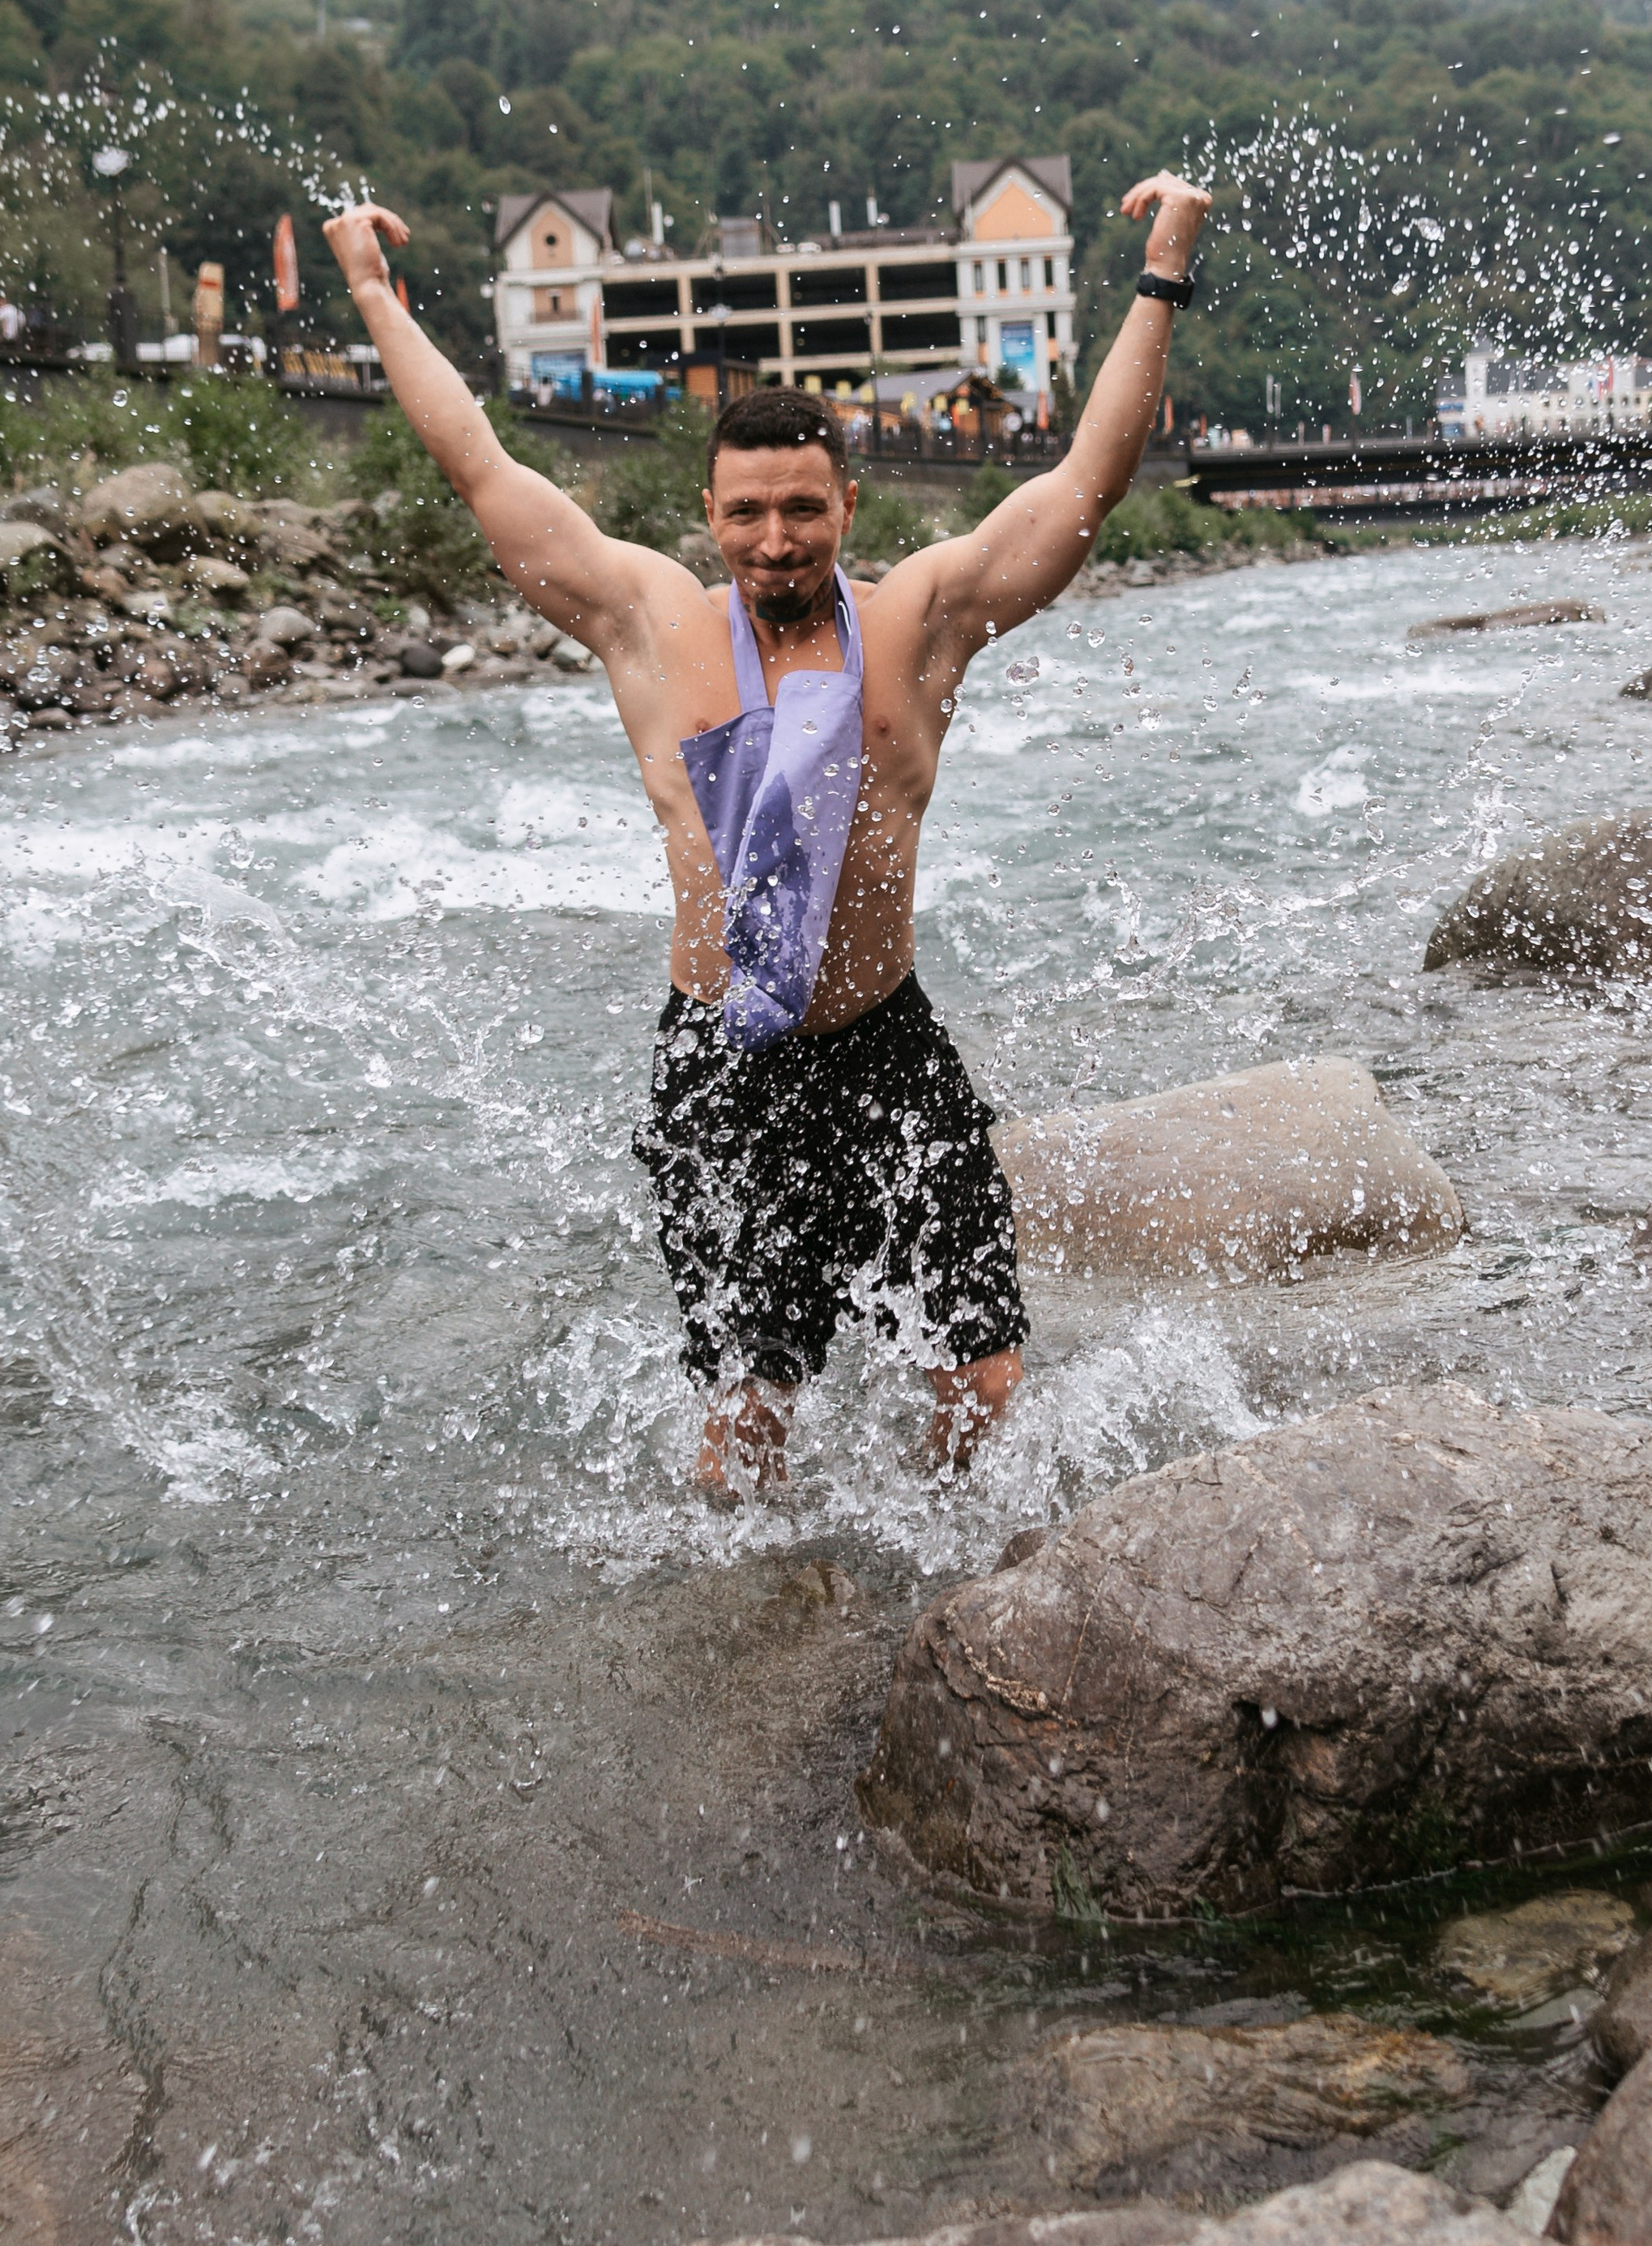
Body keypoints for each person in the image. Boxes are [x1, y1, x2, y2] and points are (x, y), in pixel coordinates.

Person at [323, 173, 1211, 1500]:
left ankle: (943, 1583)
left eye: (803, 509)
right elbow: (481, 467)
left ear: (848, 508)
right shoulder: (649, 624)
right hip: (724, 1070)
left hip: (886, 1041)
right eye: (746, 512)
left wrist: (1162, 271)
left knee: (986, 1382)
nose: (775, 539)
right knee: (750, 1419)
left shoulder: (920, 621)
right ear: (709, 514)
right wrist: (369, 292)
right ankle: (752, 1634)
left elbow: (1088, 480)